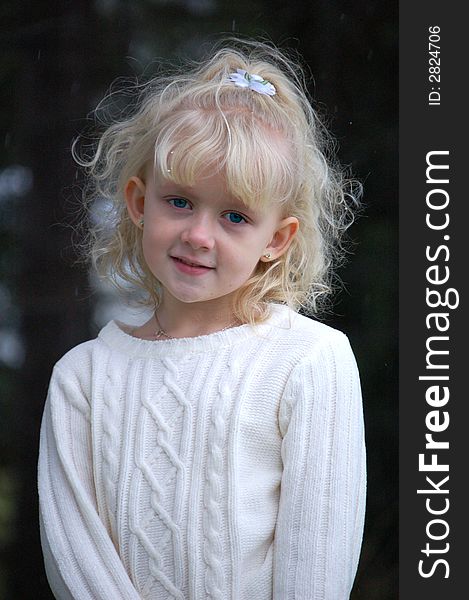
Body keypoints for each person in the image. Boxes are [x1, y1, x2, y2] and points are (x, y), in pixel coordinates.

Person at [38, 37, 366, 600]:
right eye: (180, 202)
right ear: (140, 204)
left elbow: (317, 561)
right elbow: (75, 559)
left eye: (235, 216)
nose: (198, 234)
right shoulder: (83, 377)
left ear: (277, 240)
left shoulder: (310, 361)